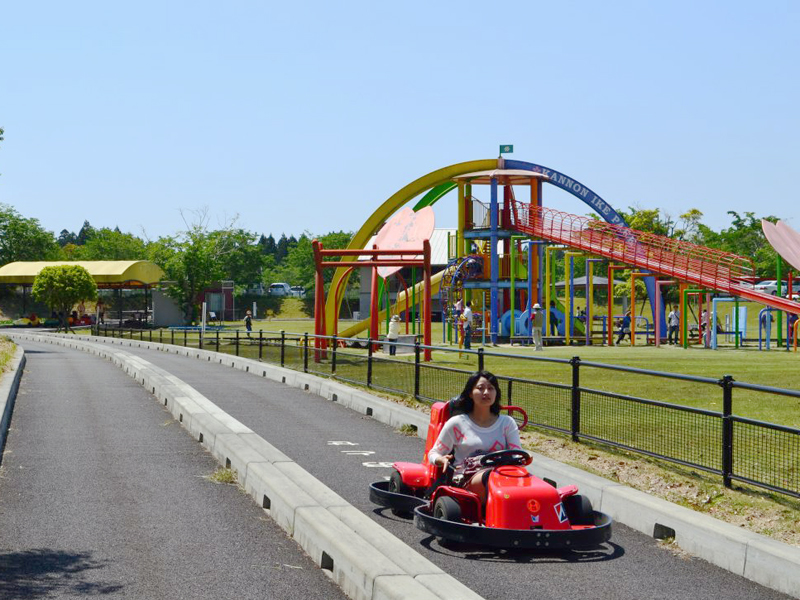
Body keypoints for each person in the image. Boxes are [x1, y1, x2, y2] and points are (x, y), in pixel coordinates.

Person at [427, 371, 523, 505]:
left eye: (491, 388)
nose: (486, 393)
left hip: (503, 476)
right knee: (489, 477)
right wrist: (440, 459)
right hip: (466, 479)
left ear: (496, 393)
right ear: (470, 393)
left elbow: (517, 456)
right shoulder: (457, 423)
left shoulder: (507, 423)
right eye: (480, 388)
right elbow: (433, 453)